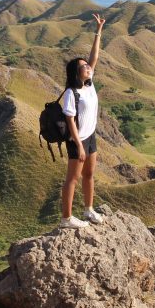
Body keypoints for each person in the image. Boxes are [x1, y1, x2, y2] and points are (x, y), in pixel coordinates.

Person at [59, 13, 106, 229]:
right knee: (73, 179)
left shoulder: (89, 84)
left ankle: (88, 210)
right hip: (77, 139)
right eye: (83, 66)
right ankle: (66, 219)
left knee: (89, 174)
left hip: (90, 135)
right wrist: (78, 145)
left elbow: (94, 56)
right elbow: (69, 121)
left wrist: (98, 31)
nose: (88, 66)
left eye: (87, 65)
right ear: (76, 73)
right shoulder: (71, 92)